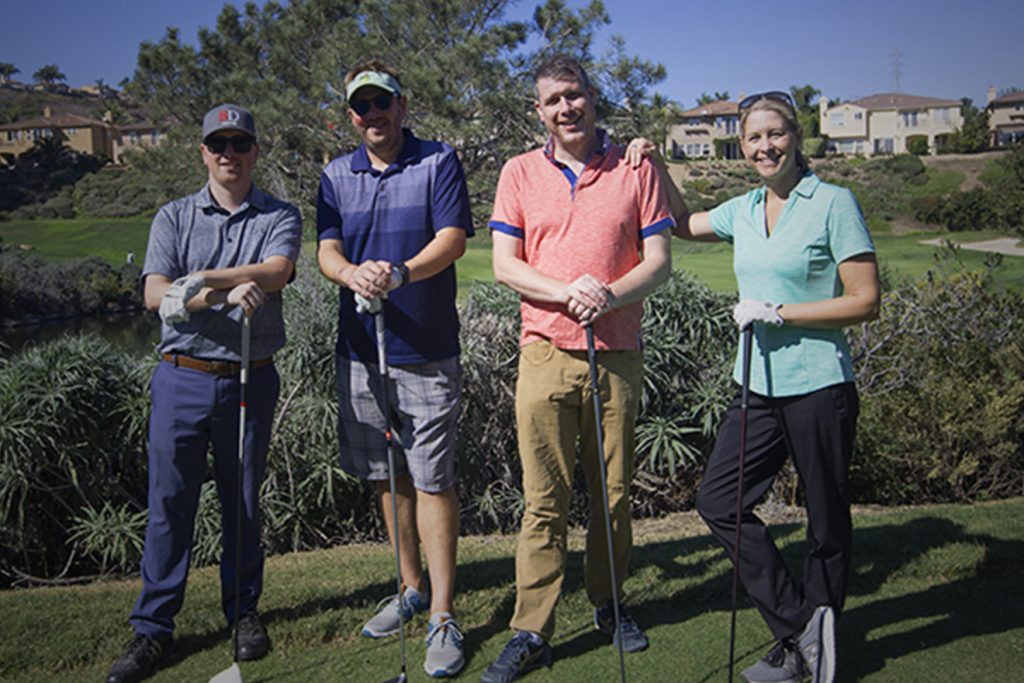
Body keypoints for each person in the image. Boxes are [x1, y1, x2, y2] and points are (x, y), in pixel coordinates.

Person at [629, 90, 881, 683]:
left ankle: (806, 651)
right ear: (741, 147)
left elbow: (865, 301)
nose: (765, 146)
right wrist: (659, 167)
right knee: (719, 503)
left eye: (775, 134)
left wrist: (780, 312)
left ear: (797, 137)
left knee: (824, 523)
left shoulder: (833, 204)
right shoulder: (743, 208)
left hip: (819, 385)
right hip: (757, 386)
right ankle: (802, 627)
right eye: (753, 138)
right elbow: (687, 225)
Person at [482, 54, 674, 683]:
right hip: (543, 350)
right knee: (544, 502)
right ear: (539, 111)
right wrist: (568, 292)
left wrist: (607, 295)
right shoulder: (518, 172)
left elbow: (659, 261)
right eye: (553, 100)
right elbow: (506, 264)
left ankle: (609, 603)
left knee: (614, 496)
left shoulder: (634, 167)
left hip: (615, 352)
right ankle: (531, 629)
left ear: (593, 98)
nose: (566, 108)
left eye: (575, 95)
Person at [106, 103, 302, 683]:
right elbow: (153, 294)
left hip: (249, 375)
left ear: (255, 152)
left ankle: (243, 612)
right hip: (181, 376)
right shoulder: (173, 217)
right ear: (203, 152)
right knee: (170, 505)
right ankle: (153, 630)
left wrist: (203, 281)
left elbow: (276, 271)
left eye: (240, 143)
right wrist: (219, 295)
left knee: (242, 503)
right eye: (218, 144)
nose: (229, 154)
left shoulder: (278, 213)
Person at [316, 60, 473, 678]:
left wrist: (400, 271)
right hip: (360, 349)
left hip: (427, 349)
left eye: (382, 103)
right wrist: (351, 272)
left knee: (433, 479)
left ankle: (441, 612)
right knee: (386, 475)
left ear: (402, 106)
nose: (372, 115)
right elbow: (327, 248)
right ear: (351, 116)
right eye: (362, 107)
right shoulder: (334, 174)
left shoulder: (437, 161)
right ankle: (409, 587)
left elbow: (453, 238)